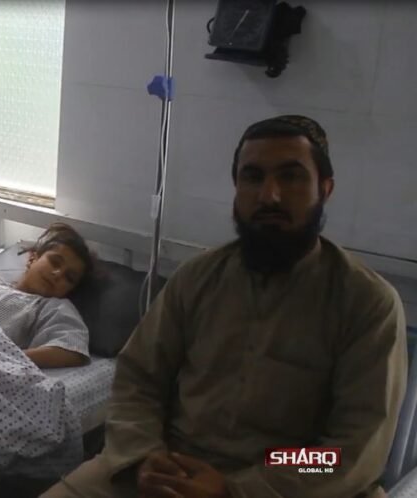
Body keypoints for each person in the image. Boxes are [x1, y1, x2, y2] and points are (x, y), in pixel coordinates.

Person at [42, 115, 407, 497]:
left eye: (291, 177)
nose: (269, 195)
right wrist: (144, 454)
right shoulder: (197, 277)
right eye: (253, 177)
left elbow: (347, 453)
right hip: (169, 463)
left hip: (287, 484)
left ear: (324, 189)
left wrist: (238, 488)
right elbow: (138, 379)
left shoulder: (366, 303)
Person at [0, 223, 95, 369]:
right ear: (32, 258)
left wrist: (4, 358)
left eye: (69, 278)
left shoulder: (53, 307)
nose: (58, 274)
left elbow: (72, 350)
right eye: (55, 262)